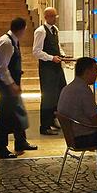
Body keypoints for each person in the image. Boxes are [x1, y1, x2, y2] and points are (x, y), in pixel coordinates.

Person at [0, 17, 37, 159]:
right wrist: (11, 84)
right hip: (6, 85)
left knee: (18, 112)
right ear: (22, 28)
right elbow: (2, 68)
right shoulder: (6, 43)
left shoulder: (12, 41)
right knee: (4, 116)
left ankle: (20, 142)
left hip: (12, 84)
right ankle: (1, 148)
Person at [33, 7, 68, 136]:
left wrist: (63, 55)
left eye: (55, 16)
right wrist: (51, 58)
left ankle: (53, 119)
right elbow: (36, 52)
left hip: (56, 67)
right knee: (48, 97)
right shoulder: (41, 31)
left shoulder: (55, 30)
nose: (55, 19)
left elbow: (57, 46)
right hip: (47, 69)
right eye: (53, 16)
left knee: (60, 93)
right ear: (47, 17)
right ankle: (44, 126)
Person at [57, 57, 97, 148]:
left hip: (73, 136)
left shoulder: (67, 88)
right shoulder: (83, 90)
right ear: (87, 72)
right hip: (84, 137)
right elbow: (95, 119)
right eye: (95, 70)